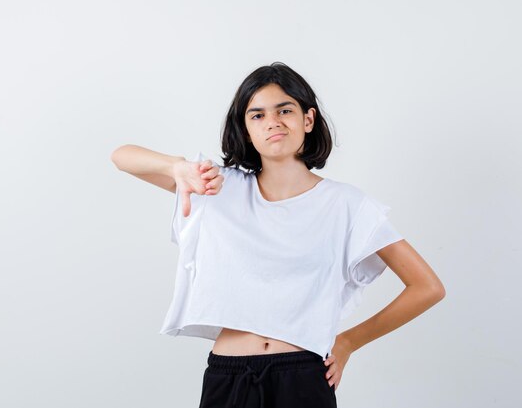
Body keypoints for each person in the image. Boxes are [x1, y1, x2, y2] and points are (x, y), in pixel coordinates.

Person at [111, 62, 445, 408]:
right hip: (229, 377)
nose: (272, 121)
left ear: (308, 120)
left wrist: (348, 342)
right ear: (246, 129)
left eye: (284, 110)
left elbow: (427, 287)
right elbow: (121, 156)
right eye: (257, 115)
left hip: (301, 376)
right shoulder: (216, 187)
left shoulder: (347, 205)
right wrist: (176, 167)